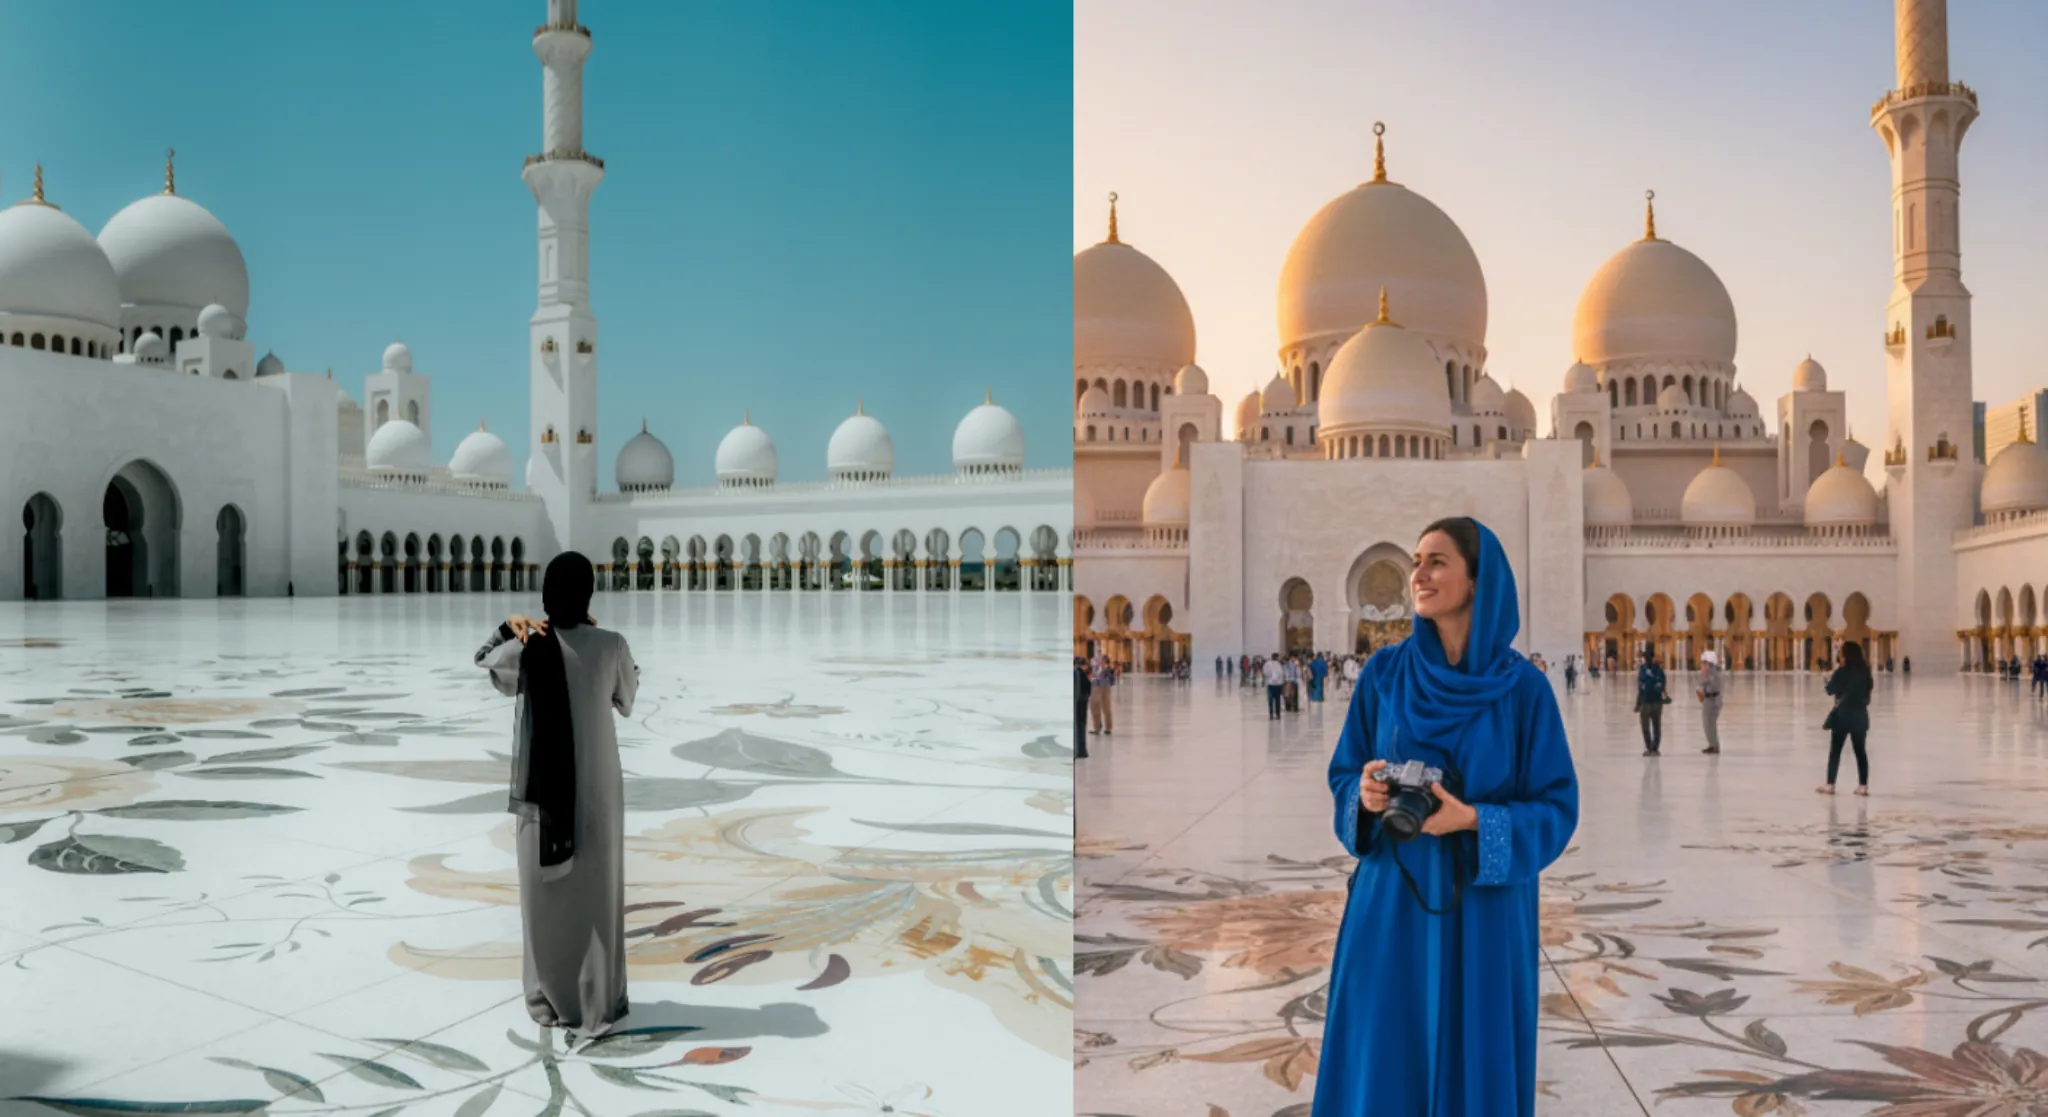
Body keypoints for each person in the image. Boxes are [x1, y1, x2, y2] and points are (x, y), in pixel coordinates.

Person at [1316, 516, 1578, 1116]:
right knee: (1386, 1051)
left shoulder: (1524, 690)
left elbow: (1557, 805)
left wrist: (1473, 822)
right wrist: (1364, 795)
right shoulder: (1385, 675)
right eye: (1416, 560)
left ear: (1478, 582)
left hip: (1485, 908)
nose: (1419, 573)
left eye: (1437, 561)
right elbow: (1343, 772)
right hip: (1392, 902)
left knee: (1473, 1049)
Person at [476, 552, 639, 1037]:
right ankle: (598, 996)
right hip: (599, 794)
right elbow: (627, 696)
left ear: (547, 594)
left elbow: (485, 660)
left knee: (545, 896)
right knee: (597, 895)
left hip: (542, 797)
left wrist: (510, 626)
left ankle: (547, 997)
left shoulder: (528, 647)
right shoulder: (611, 645)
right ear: (588, 594)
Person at [1818, 641, 1873, 796]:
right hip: (1859, 715)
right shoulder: (1865, 672)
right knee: (1860, 752)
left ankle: (1830, 784)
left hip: (1842, 715)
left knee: (1835, 751)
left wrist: (1826, 677)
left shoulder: (1842, 672)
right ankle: (1863, 785)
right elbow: (1868, 691)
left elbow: (1830, 690)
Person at [1635, 649, 1668, 756]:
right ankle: (1650, 747)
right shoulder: (1646, 670)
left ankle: (1654, 747)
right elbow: (1642, 685)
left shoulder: (1656, 670)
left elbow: (1646, 685)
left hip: (1653, 702)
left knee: (1655, 725)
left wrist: (1649, 684)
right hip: (1649, 701)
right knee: (1647, 726)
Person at [1696, 650, 1724, 754]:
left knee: (1710, 724)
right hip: (1710, 699)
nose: (1702, 665)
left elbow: (1711, 684)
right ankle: (1712, 744)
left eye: (1704, 662)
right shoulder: (1712, 671)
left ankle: (1714, 746)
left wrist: (1701, 686)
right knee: (1708, 724)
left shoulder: (1712, 672)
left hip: (1712, 700)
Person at [1089, 653, 1116, 735]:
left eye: (1103, 662)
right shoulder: (1094, 668)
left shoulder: (1109, 670)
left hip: (1105, 687)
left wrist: (1107, 671)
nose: (1100, 663)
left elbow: (1112, 680)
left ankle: (1108, 728)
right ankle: (1097, 727)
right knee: (1094, 707)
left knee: (1106, 707)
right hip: (1095, 686)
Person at [1074, 656, 1092, 759]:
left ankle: (1078, 750)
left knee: (1077, 727)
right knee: (1081, 726)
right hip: (1082, 703)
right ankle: (1081, 750)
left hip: (1077, 703)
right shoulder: (1083, 675)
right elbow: (1089, 689)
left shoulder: (1075, 674)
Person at [1263, 654, 1285, 720]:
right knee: (1277, 700)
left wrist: (1270, 678)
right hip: (1278, 685)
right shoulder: (1279, 664)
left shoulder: (1268, 664)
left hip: (1271, 685)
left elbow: (1265, 673)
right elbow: (1282, 674)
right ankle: (1278, 715)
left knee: (1270, 700)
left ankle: (1271, 715)